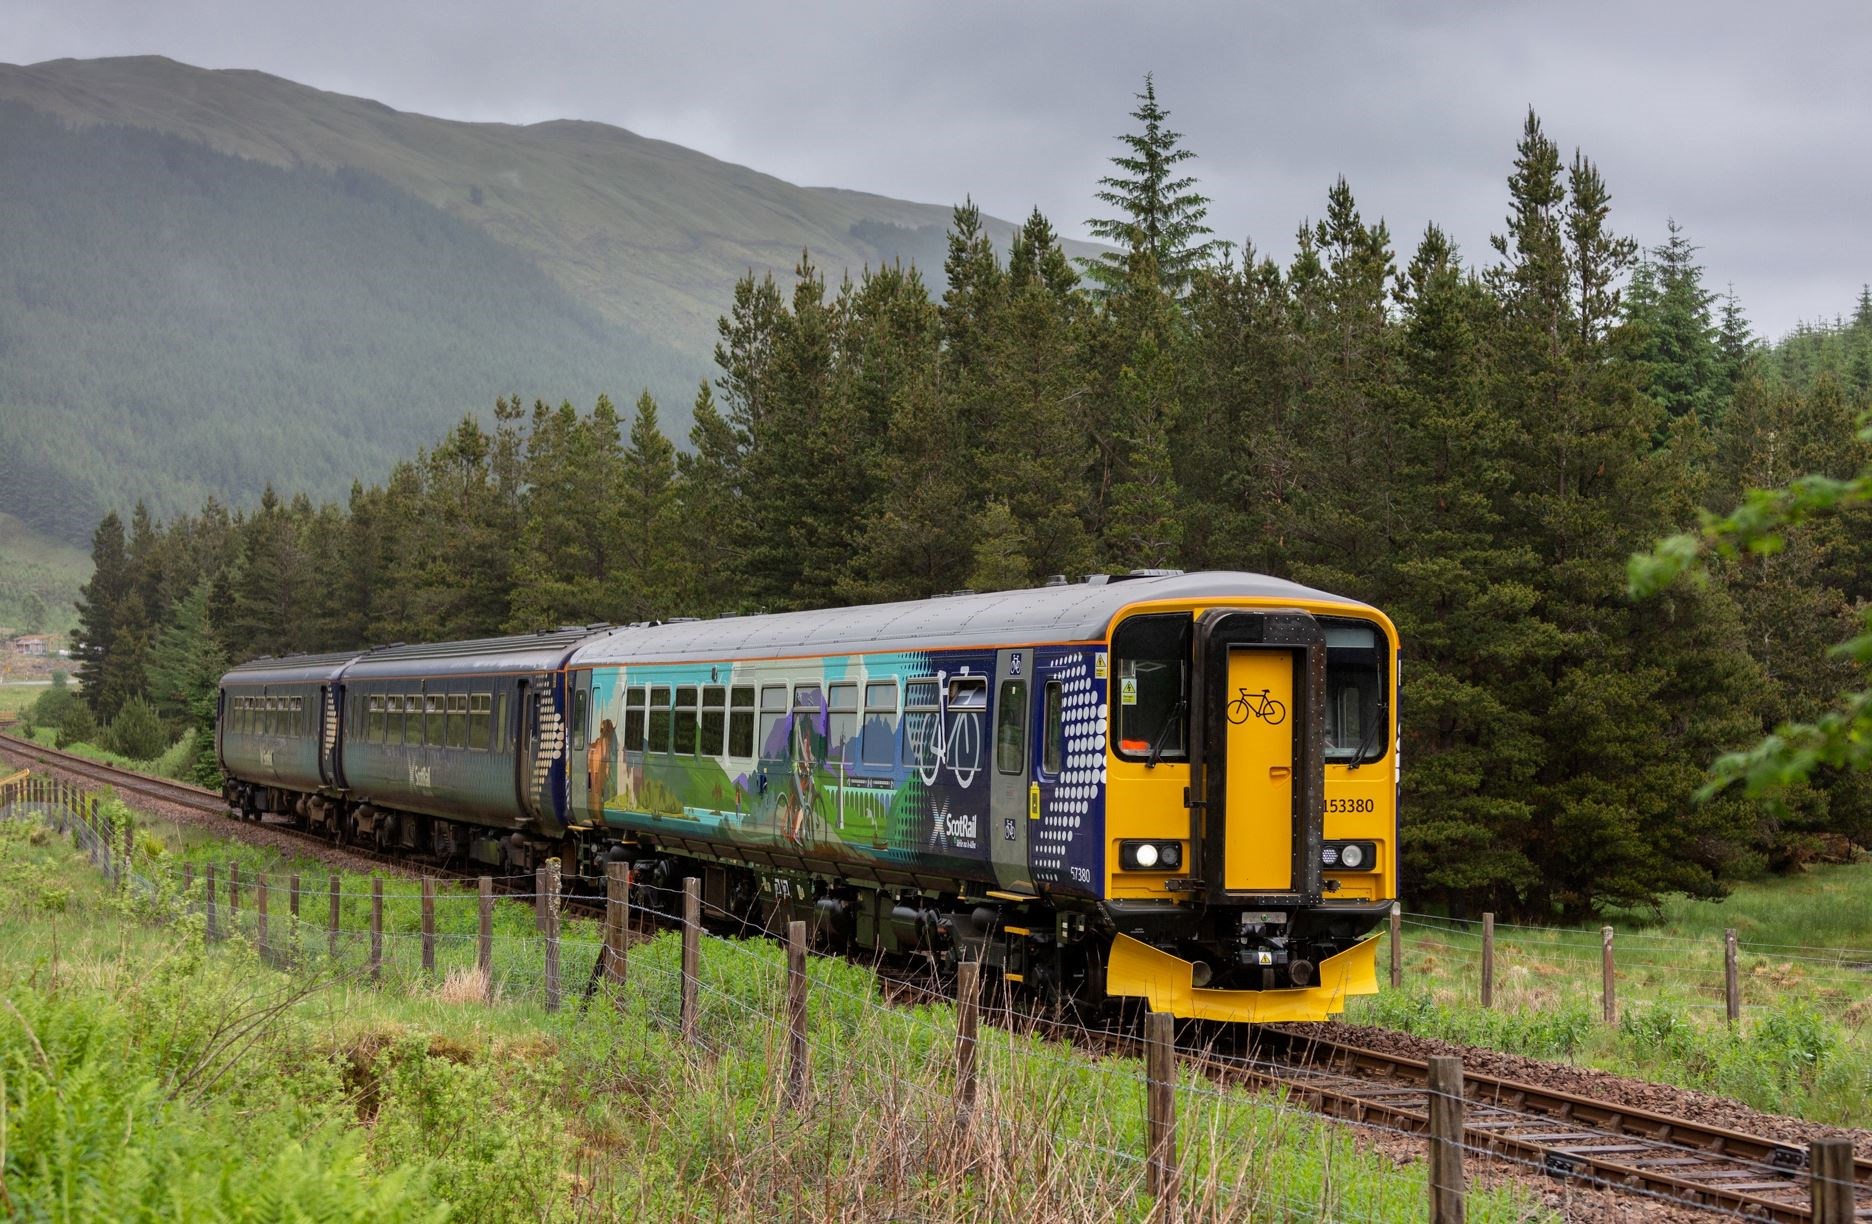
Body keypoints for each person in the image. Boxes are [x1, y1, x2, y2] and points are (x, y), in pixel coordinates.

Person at [588, 717, 616, 814]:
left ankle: (598, 810)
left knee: (599, 790)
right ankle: (597, 810)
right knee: (597, 789)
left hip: (600, 767)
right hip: (598, 768)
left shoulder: (604, 742)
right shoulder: (602, 743)